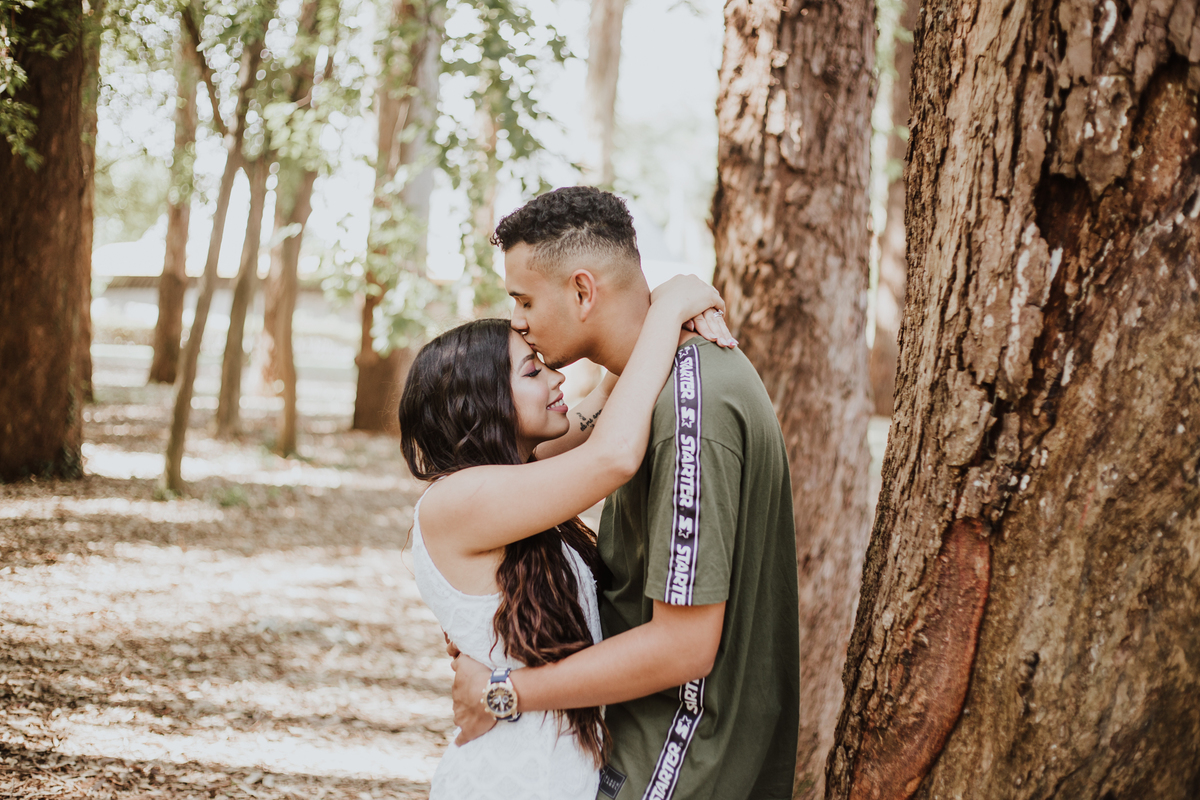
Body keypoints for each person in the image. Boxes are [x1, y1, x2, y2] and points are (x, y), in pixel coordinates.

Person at [450, 186, 800, 800]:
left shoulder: (695, 407)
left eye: (525, 298)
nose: (518, 320)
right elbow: (546, 456)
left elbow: (683, 646)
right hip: (631, 744)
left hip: (672, 760)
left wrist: (504, 691)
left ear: (583, 291)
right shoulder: (650, 393)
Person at [398, 275, 735, 800]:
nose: (556, 377)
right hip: (503, 782)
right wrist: (669, 312)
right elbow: (614, 454)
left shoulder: (517, 473)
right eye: (533, 371)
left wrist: (660, 303)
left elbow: (606, 403)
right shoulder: (455, 503)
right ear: (479, 404)